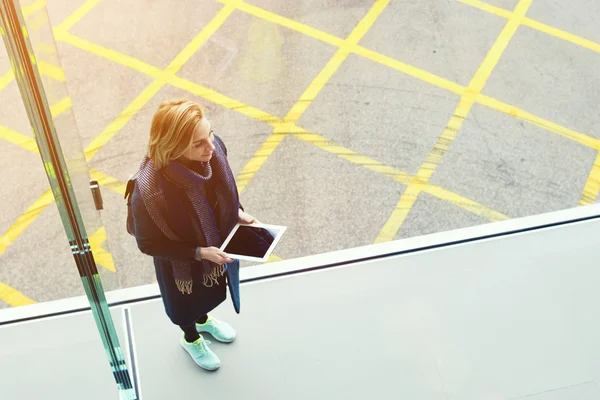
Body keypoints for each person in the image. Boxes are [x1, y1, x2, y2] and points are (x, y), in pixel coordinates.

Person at [130, 99, 259, 371]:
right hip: (181, 264)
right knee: (185, 306)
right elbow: (148, 243)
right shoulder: (150, 191)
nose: (211, 147)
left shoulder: (213, 153)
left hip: (213, 251)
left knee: (207, 297)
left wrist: (236, 213)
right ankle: (191, 338)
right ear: (173, 147)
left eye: (209, 134)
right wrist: (199, 253)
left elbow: (220, 195)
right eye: (198, 143)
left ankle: (203, 321)